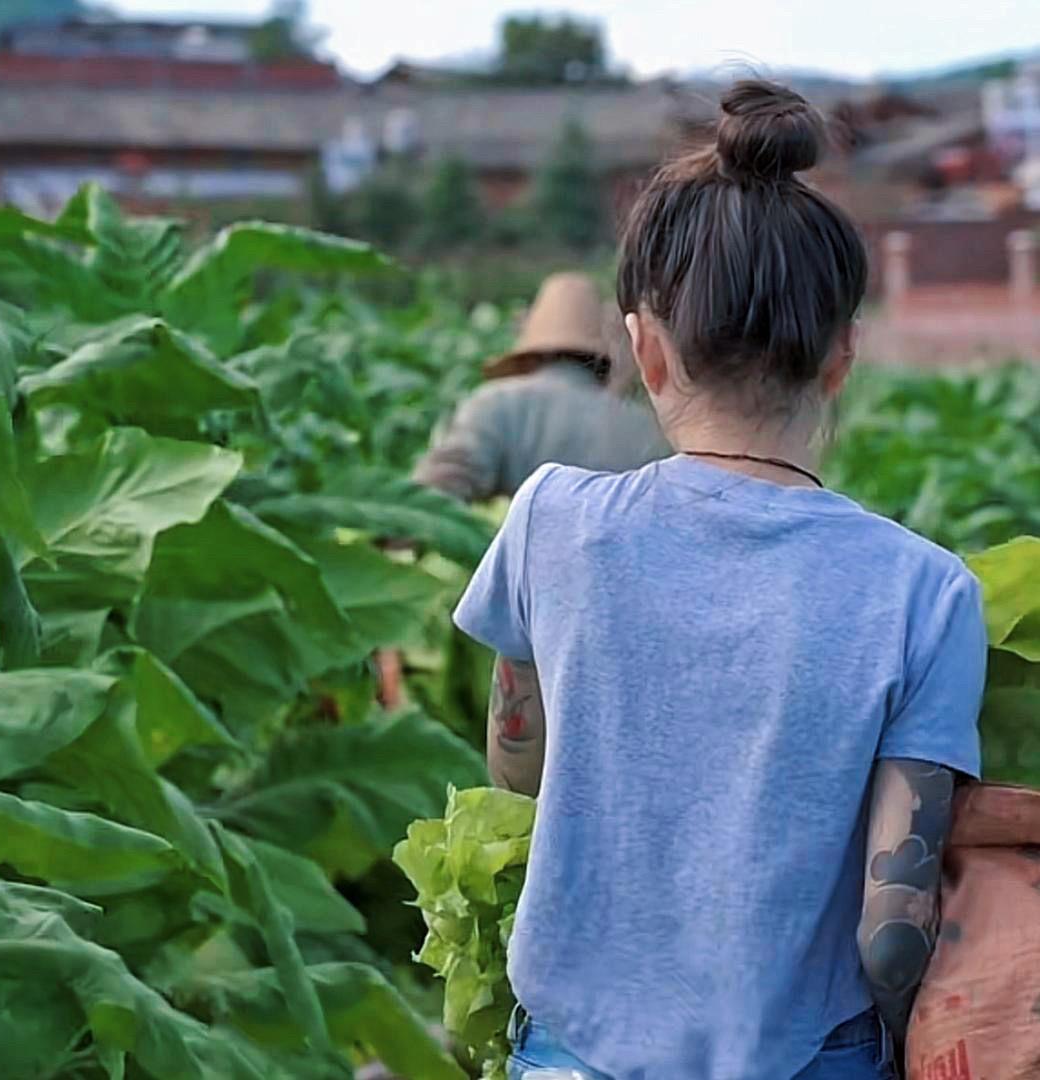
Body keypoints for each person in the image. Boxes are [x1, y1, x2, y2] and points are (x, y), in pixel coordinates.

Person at [453, 80, 986, 1080]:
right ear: (841, 357)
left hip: (573, 1053)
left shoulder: (549, 520)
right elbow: (892, 930)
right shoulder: (927, 591)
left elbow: (516, 767)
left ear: (644, 349)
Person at [412, 272, 671, 501]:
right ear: (604, 362)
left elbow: (438, 494)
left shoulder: (493, 404)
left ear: (529, 355)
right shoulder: (648, 429)